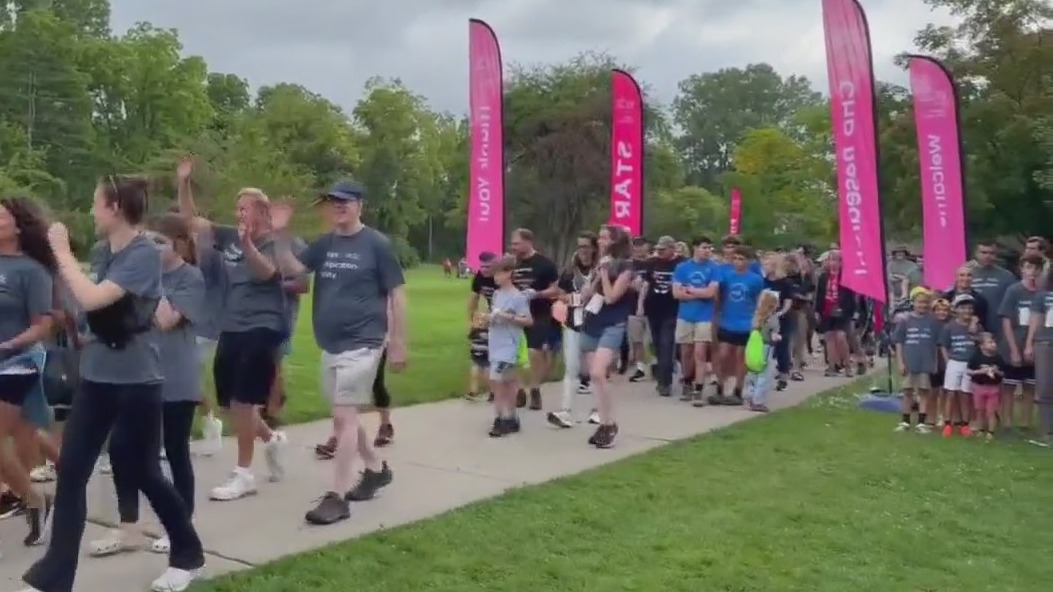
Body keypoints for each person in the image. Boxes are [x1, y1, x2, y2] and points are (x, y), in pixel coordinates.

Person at [22, 176, 204, 592]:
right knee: (71, 473)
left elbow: (93, 297)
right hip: (98, 378)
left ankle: (189, 554)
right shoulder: (106, 251)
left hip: (137, 381)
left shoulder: (144, 253)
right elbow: (90, 311)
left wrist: (62, 250)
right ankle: (55, 576)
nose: (90, 211)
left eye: (95, 203)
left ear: (115, 207)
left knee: (144, 472)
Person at [270, 180, 404, 525]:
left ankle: (338, 497)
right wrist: (281, 233)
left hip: (365, 342)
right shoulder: (325, 244)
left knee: (344, 417)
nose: (338, 206)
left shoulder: (376, 244)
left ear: (359, 204)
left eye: (345, 201)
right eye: (333, 202)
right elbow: (293, 270)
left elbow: (397, 294)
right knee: (344, 417)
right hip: (331, 344)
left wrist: (399, 341)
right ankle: (375, 469)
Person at [88, 215, 207, 556]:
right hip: (136, 378)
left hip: (175, 380)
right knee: (123, 451)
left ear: (179, 244)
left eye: (161, 242)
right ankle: (128, 529)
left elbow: (166, 320)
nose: (153, 249)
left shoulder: (190, 278)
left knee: (174, 451)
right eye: (149, 241)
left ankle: (180, 526)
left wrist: (146, 281)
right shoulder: (132, 272)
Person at [177, 168, 289, 501]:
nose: (239, 213)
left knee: (243, 399)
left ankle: (243, 474)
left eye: (246, 208)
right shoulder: (229, 236)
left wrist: (246, 245)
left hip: (264, 326)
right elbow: (191, 222)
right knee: (230, 403)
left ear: (263, 213)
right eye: (237, 208)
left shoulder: (276, 242)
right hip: (232, 325)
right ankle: (270, 440)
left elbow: (267, 273)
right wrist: (183, 184)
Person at [0, 197, 57, 548]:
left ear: (17, 226)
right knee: (25, 435)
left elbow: (42, 326)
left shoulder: (31, 271)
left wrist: (7, 346)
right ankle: (33, 499)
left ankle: (31, 498)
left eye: (1, 217)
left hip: (19, 359)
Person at [580, 225, 634, 448]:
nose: (600, 241)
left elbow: (611, 297)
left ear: (615, 241)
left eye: (604, 238)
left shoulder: (626, 266)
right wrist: (594, 278)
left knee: (598, 372)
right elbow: (587, 295)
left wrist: (603, 273)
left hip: (612, 322)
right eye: (599, 237)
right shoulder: (598, 263)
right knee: (594, 377)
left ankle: (609, 422)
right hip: (592, 320)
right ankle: (603, 423)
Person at [547, 232, 597, 428]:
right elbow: (559, 291)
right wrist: (566, 298)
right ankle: (565, 411)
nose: (583, 250)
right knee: (571, 368)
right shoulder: (570, 270)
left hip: (596, 324)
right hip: (573, 323)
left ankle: (598, 410)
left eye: (586, 246)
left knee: (595, 371)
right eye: (580, 246)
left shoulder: (600, 269)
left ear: (594, 248)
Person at [509, 229, 559, 410]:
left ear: (528, 242)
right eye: (512, 244)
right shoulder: (512, 263)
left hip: (539, 313)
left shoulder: (545, 264)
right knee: (512, 354)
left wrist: (536, 294)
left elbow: (555, 290)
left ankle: (535, 387)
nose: (513, 247)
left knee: (534, 352)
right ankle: (520, 389)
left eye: (516, 243)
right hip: (515, 314)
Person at [709, 245, 765, 405]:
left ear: (748, 261)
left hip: (745, 323)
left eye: (741, 259)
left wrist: (757, 320)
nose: (738, 262)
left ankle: (738, 391)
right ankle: (720, 388)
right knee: (723, 355)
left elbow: (759, 301)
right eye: (735, 258)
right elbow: (718, 297)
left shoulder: (755, 279)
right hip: (727, 321)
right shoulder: (726, 276)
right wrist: (716, 316)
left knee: (741, 357)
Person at [485, 256, 533, 437]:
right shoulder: (497, 294)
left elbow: (528, 320)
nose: (495, 277)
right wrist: (489, 318)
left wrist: (507, 316)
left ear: (508, 274)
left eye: (499, 273)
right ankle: (511, 416)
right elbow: (495, 315)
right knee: (508, 382)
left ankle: (501, 418)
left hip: (509, 344)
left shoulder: (517, 297)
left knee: (499, 382)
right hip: (495, 341)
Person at [672, 236, 719, 404]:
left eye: (710, 248)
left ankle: (699, 388)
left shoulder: (714, 268)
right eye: (704, 247)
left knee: (700, 353)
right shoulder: (682, 268)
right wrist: (700, 292)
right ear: (695, 248)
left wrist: (691, 290)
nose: (708, 251)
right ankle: (687, 380)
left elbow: (711, 293)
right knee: (686, 352)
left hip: (704, 316)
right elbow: (677, 293)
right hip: (685, 316)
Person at [998, 255, 1043, 431]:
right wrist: (1013, 349)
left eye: (1036, 268)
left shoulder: (1043, 292)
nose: (1033, 272)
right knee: (1009, 385)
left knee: (1030, 385)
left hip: (1036, 346)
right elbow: (1006, 321)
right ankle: (1008, 423)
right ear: (1022, 269)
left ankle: (1025, 423)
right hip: (1015, 342)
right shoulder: (1014, 290)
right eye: (1029, 267)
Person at [892, 288, 941, 432]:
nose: (923, 305)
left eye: (926, 303)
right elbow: (899, 342)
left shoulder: (933, 321)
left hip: (925, 362)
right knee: (907, 392)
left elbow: (936, 344)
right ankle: (905, 421)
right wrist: (900, 362)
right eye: (920, 302)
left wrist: (935, 363)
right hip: (909, 361)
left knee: (924, 392)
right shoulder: (905, 320)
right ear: (913, 303)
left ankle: (921, 421)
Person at [639, 236, 682, 398]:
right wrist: (640, 305)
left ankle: (665, 383)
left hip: (672, 310)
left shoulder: (681, 264)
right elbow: (646, 284)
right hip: (653, 309)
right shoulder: (651, 263)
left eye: (663, 250)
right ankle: (665, 371)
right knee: (657, 344)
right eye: (658, 250)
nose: (660, 252)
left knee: (666, 344)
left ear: (672, 249)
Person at [941, 294, 980, 437]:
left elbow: (979, 340)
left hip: (969, 364)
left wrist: (974, 324)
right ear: (956, 309)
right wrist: (947, 361)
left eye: (970, 308)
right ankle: (947, 423)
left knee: (965, 394)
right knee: (951, 393)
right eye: (963, 308)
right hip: (954, 362)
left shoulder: (976, 325)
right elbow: (944, 346)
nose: (967, 311)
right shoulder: (950, 327)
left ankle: (965, 424)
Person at [815, 251, 858, 377]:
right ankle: (831, 366)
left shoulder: (846, 277)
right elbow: (819, 295)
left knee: (840, 336)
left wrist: (852, 311)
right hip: (827, 310)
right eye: (830, 260)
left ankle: (847, 366)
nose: (833, 263)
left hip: (842, 310)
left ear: (841, 262)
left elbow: (851, 296)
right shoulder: (823, 277)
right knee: (829, 338)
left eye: (836, 260)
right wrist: (817, 311)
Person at [1025, 271, 1053, 447]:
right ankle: (1047, 433)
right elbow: (1034, 321)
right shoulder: (1041, 296)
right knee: (1044, 389)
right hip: (1045, 344)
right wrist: (1029, 344)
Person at [763, 253, 797, 391]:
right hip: (764, 318)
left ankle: (783, 374)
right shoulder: (763, 281)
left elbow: (788, 302)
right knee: (764, 346)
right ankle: (762, 375)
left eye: (767, 264)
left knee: (781, 346)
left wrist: (780, 313)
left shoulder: (785, 283)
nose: (765, 267)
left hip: (780, 319)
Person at [745, 289, 781, 413]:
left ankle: (749, 395)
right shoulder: (773, 318)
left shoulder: (756, 316)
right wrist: (778, 337)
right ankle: (758, 400)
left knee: (753, 371)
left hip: (754, 346)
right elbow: (773, 335)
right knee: (764, 374)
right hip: (766, 347)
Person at [969, 240, 1015, 333]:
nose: (987, 256)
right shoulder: (967, 274)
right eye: (984, 252)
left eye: (992, 253)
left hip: (999, 329)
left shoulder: (1007, 276)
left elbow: (1013, 303)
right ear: (976, 254)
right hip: (972, 328)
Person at [968, 333, 1005, 440]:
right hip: (978, 387)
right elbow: (968, 371)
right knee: (979, 410)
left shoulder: (998, 358)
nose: (993, 344)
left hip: (993, 388)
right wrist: (980, 371)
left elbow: (1003, 374)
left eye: (994, 342)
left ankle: (991, 431)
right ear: (982, 346)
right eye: (990, 342)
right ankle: (980, 429)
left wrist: (996, 371)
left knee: (991, 411)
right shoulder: (976, 357)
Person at [624, 237, 652, 380]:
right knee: (636, 339)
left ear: (648, 246)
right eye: (637, 245)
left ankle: (656, 364)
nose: (639, 248)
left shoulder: (653, 262)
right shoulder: (629, 264)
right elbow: (621, 283)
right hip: (633, 306)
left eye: (642, 245)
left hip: (652, 306)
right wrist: (631, 285)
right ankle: (640, 367)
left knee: (654, 340)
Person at [465, 311, 490, 402]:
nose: (480, 322)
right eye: (478, 320)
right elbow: (470, 337)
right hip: (476, 357)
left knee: (487, 376)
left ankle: (493, 391)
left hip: (486, 358)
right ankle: (473, 392)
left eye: (483, 320)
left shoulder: (490, 332)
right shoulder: (474, 331)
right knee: (474, 374)